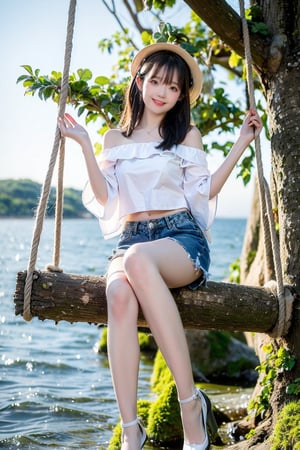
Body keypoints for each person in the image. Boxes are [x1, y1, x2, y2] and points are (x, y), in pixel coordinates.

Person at [58, 42, 262, 450]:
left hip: (180, 238)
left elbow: (203, 194)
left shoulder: (187, 136)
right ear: (139, 82)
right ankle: (131, 429)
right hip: (131, 239)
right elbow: (105, 198)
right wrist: (83, 144)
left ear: (181, 94)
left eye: (172, 87)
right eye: (155, 82)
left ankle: (190, 404)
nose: (162, 92)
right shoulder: (114, 138)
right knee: (117, 292)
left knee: (134, 262)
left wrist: (240, 143)